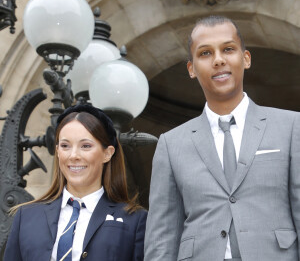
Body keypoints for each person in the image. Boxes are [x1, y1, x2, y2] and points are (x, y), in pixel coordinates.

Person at [144, 15, 300, 261]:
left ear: (245, 58)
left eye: (228, 49)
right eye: (205, 53)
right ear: (191, 69)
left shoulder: (291, 127)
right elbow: (161, 237)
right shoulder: (170, 144)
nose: (218, 60)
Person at [4, 104, 147, 261]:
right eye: (65, 146)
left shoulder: (135, 220)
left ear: (107, 153)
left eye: (85, 146)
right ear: (57, 151)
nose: (73, 155)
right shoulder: (26, 216)